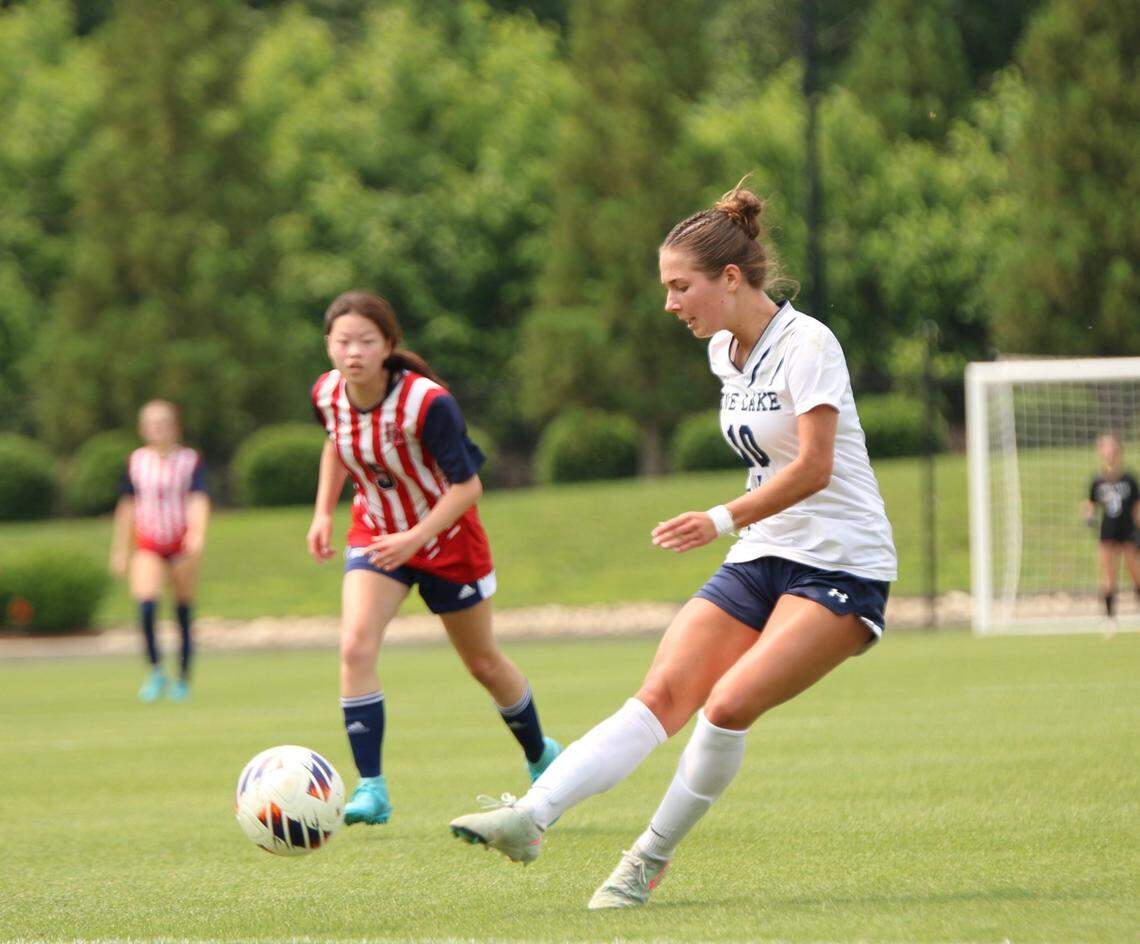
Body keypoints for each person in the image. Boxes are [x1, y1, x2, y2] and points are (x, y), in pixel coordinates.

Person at [449, 184, 897, 909]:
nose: (669, 303)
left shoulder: (810, 344)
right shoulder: (725, 350)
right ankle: (529, 817)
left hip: (842, 564)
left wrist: (718, 519)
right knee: (661, 695)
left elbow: (814, 467)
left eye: (678, 286)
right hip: (763, 552)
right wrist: (738, 526)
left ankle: (645, 861)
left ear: (730, 278)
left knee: (725, 705)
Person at [307, 290, 561, 827]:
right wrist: (322, 514)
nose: (353, 352)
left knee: (483, 664)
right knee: (354, 646)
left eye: (366, 341)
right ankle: (371, 788)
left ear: (389, 346)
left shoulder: (427, 402)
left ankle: (542, 756)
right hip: (377, 535)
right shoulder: (327, 394)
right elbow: (336, 441)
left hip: (447, 542)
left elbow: (468, 487)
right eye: (343, 341)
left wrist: (415, 536)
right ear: (327, 344)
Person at [110, 400, 210, 703]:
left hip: (179, 541)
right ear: (143, 430)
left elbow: (199, 498)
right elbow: (127, 506)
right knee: (147, 605)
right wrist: (119, 549)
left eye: (164, 424)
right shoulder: (136, 462)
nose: (159, 430)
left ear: (175, 427)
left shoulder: (190, 461)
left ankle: (182, 676)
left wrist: (197, 534)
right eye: (152, 425)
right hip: (149, 542)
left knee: (182, 610)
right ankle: (155, 671)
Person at [1081, 432, 1140, 624]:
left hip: (1128, 531)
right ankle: (1110, 618)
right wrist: (1088, 516)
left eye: (1112, 449)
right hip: (1108, 532)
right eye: (1105, 449)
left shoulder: (1129, 479)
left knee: (1135, 571)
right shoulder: (1098, 480)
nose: (1109, 453)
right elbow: (1089, 503)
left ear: (1119, 452)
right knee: (1108, 575)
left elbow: (1137, 507)